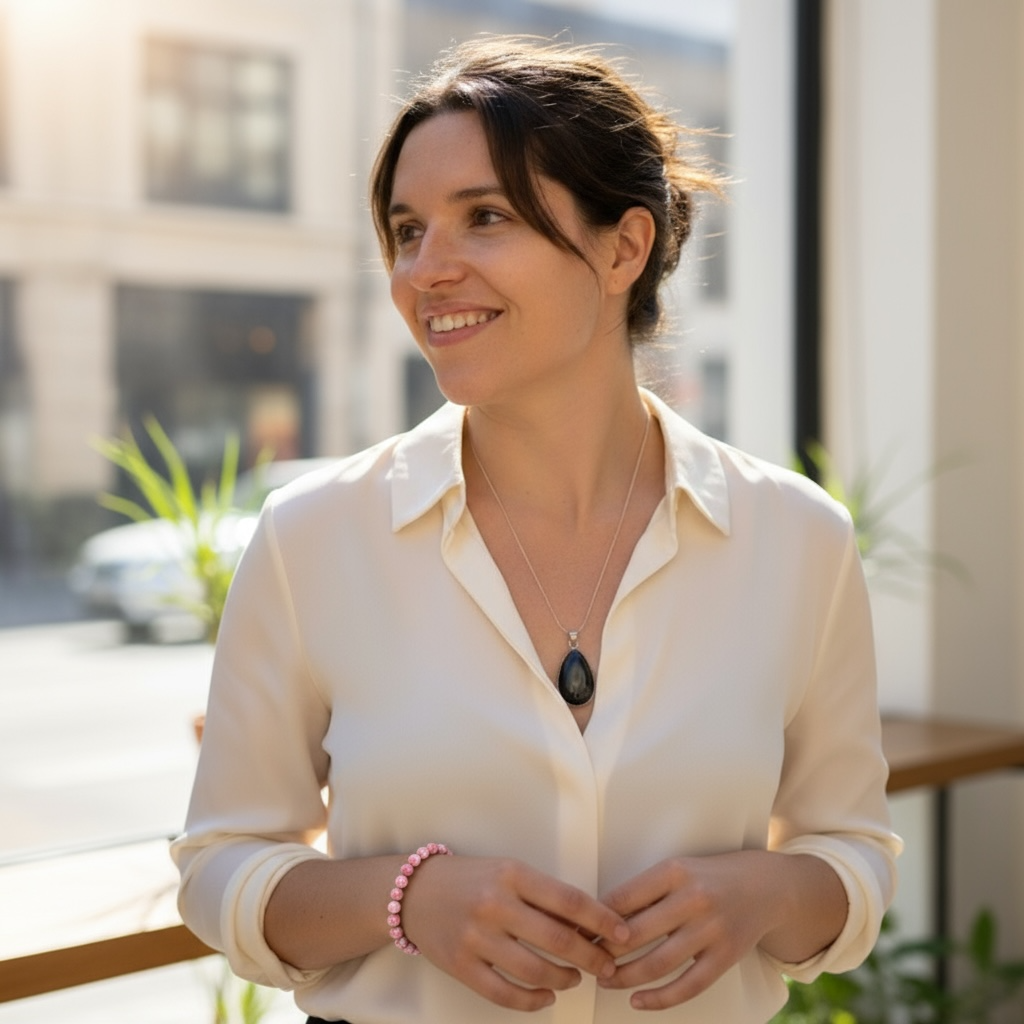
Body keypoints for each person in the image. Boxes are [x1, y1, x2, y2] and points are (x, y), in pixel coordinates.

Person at [172, 36, 901, 1023]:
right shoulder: (314, 537)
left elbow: (851, 851)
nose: (426, 271)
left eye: (484, 217)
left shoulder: (797, 540)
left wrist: (764, 892)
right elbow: (221, 868)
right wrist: (408, 901)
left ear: (623, 247)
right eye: (406, 229)